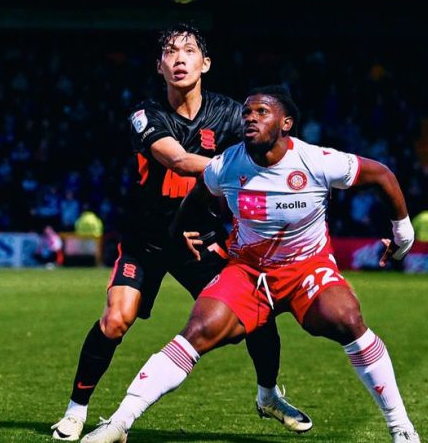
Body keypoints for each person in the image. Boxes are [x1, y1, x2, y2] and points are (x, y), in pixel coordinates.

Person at [80, 86, 420, 443]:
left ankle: (401, 427)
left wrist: (402, 231)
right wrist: (180, 231)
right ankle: (119, 422)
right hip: (249, 272)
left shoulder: (317, 161)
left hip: (306, 268)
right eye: (246, 113)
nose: (250, 119)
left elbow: (382, 175)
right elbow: (196, 198)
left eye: (261, 112)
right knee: (198, 330)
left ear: (286, 123)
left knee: (347, 319)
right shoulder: (227, 164)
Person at [52, 28, 310, 441]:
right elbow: (178, 159)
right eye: (170, 52)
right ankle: (75, 411)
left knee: (257, 313)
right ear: (159, 67)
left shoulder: (230, 113)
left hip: (198, 239)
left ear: (205, 64)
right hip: (146, 240)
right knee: (116, 320)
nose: (179, 58)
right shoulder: (146, 115)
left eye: (189, 50)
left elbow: (272, 144)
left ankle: (268, 397)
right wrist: (242, 170)